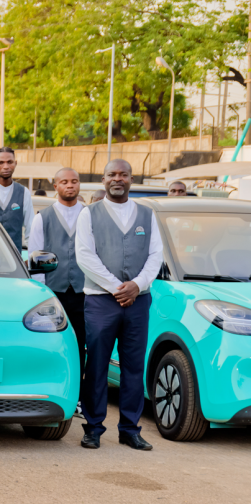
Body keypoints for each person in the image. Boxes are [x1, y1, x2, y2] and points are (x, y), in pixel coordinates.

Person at [76, 159, 162, 451]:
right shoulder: (89, 214)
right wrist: (117, 288)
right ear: (103, 179)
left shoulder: (148, 215)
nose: (118, 179)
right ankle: (94, 428)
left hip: (138, 301)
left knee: (134, 367)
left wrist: (137, 286)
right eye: (112, 174)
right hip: (101, 301)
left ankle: (130, 429)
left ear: (131, 179)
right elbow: (85, 257)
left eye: (123, 174)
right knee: (97, 365)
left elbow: (156, 256)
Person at [28, 167, 87, 410]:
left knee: (82, 343)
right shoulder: (43, 217)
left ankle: (80, 398)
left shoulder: (89, 214)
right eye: (65, 182)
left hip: (85, 292)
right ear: (56, 186)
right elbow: (35, 256)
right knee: (56, 344)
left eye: (74, 181)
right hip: (56, 292)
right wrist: (44, 293)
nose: (70, 185)